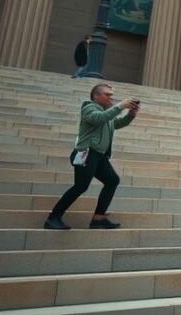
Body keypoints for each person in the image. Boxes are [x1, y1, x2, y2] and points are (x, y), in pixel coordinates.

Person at [44, 83, 139, 230]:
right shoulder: (88, 107)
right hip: (87, 152)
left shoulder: (106, 113)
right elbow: (97, 118)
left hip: (99, 156)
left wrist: (130, 115)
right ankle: (53, 218)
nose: (111, 97)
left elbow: (117, 123)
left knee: (112, 180)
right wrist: (120, 106)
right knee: (81, 186)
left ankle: (98, 219)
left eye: (111, 95)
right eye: (107, 94)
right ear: (96, 95)